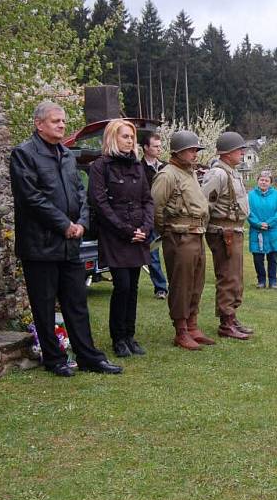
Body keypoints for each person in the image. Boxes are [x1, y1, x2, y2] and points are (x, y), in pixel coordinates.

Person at [9, 101, 122, 377]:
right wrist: (63, 225)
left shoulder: (67, 155)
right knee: (45, 306)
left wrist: (82, 223)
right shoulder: (24, 154)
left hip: (70, 243)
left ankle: (88, 356)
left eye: (63, 121)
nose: (61, 125)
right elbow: (31, 199)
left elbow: (80, 194)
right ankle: (54, 358)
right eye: (55, 121)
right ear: (39, 124)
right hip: (40, 245)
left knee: (76, 303)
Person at [88, 119, 153, 358]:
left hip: (138, 234)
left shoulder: (137, 166)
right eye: (125, 136)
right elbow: (99, 203)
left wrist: (145, 228)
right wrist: (125, 229)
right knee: (122, 285)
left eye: (132, 137)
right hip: (116, 235)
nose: (130, 141)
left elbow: (147, 200)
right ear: (112, 138)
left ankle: (129, 335)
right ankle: (118, 338)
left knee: (133, 286)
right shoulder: (100, 166)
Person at [151, 131, 214, 351]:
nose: (195, 154)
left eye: (196, 150)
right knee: (181, 285)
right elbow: (156, 208)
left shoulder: (190, 173)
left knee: (197, 282)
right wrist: (167, 231)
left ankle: (193, 325)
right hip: (179, 235)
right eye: (190, 150)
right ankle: (181, 330)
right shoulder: (167, 175)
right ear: (178, 152)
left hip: (196, 233)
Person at [202, 131, 253, 340]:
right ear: (227, 152)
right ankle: (226, 322)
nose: (242, 153)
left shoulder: (232, 172)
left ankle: (231, 316)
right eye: (239, 150)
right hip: (223, 232)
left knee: (236, 277)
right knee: (228, 276)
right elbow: (205, 205)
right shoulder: (218, 174)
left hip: (234, 230)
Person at [140, 133, 170, 300]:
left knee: (173, 252)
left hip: (168, 216)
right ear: (146, 147)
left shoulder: (166, 167)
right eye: (156, 146)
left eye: (160, 146)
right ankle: (160, 287)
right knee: (152, 254)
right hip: (149, 217)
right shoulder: (138, 168)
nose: (159, 149)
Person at [248, 170, 277, 289]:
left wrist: (269, 223)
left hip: (272, 231)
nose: (263, 182)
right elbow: (248, 212)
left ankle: (273, 281)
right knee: (258, 258)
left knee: (272, 258)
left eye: (266, 180)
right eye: (261, 180)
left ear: (270, 182)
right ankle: (261, 281)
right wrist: (258, 224)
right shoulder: (250, 195)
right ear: (258, 180)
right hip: (256, 230)